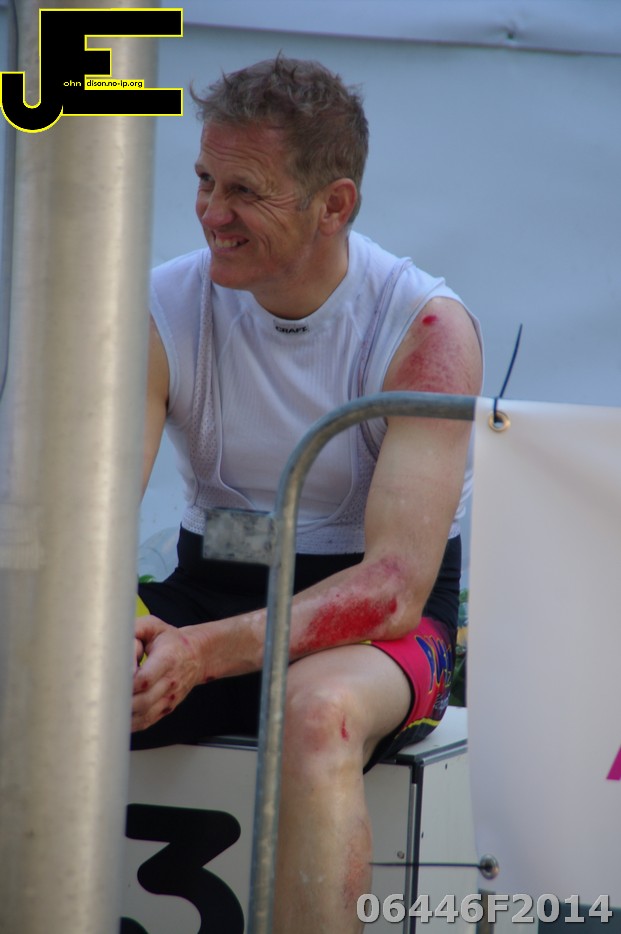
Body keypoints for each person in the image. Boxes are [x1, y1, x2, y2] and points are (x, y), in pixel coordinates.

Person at [131, 55, 482, 933]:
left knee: (317, 713)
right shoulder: (160, 304)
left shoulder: (427, 327)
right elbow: (84, 525)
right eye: (204, 180)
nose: (211, 213)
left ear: (334, 204)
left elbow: (393, 589)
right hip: (208, 590)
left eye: (244, 191)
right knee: (38, 678)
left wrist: (200, 653)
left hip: (379, 627)